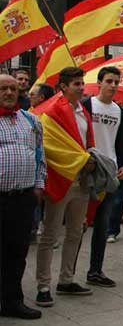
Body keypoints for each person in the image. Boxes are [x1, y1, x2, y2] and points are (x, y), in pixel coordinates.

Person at [36, 67, 96, 307]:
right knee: (49, 234)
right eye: (76, 84)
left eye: (82, 83)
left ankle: (66, 279)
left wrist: (89, 161)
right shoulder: (51, 111)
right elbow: (49, 146)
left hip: (81, 180)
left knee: (75, 232)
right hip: (60, 178)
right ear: (63, 87)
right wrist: (80, 160)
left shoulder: (84, 112)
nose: (81, 88)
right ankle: (43, 285)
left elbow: (86, 143)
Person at [79, 67, 123, 288]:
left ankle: (95, 270)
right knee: (78, 226)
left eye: (116, 82)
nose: (113, 85)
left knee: (102, 226)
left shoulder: (121, 112)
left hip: (108, 176)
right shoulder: (86, 107)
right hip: (86, 171)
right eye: (109, 81)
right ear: (99, 83)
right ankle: (66, 275)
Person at [0, 74, 45, 320]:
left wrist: (38, 185)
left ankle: (12, 301)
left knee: (17, 253)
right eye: (3, 88)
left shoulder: (31, 121)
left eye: (13, 88)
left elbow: (41, 156)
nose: (8, 92)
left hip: (22, 199)